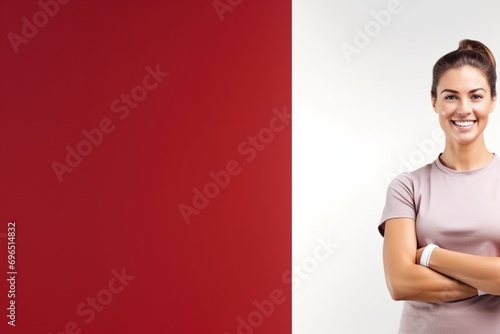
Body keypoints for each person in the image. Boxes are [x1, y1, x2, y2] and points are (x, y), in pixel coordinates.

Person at [379, 39, 500, 333]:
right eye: (450, 97)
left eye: (476, 96)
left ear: (492, 100)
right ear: (434, 101)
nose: (463, 109)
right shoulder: (407, 187)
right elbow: (400, 282)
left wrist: (429, 255)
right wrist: (487, 283)